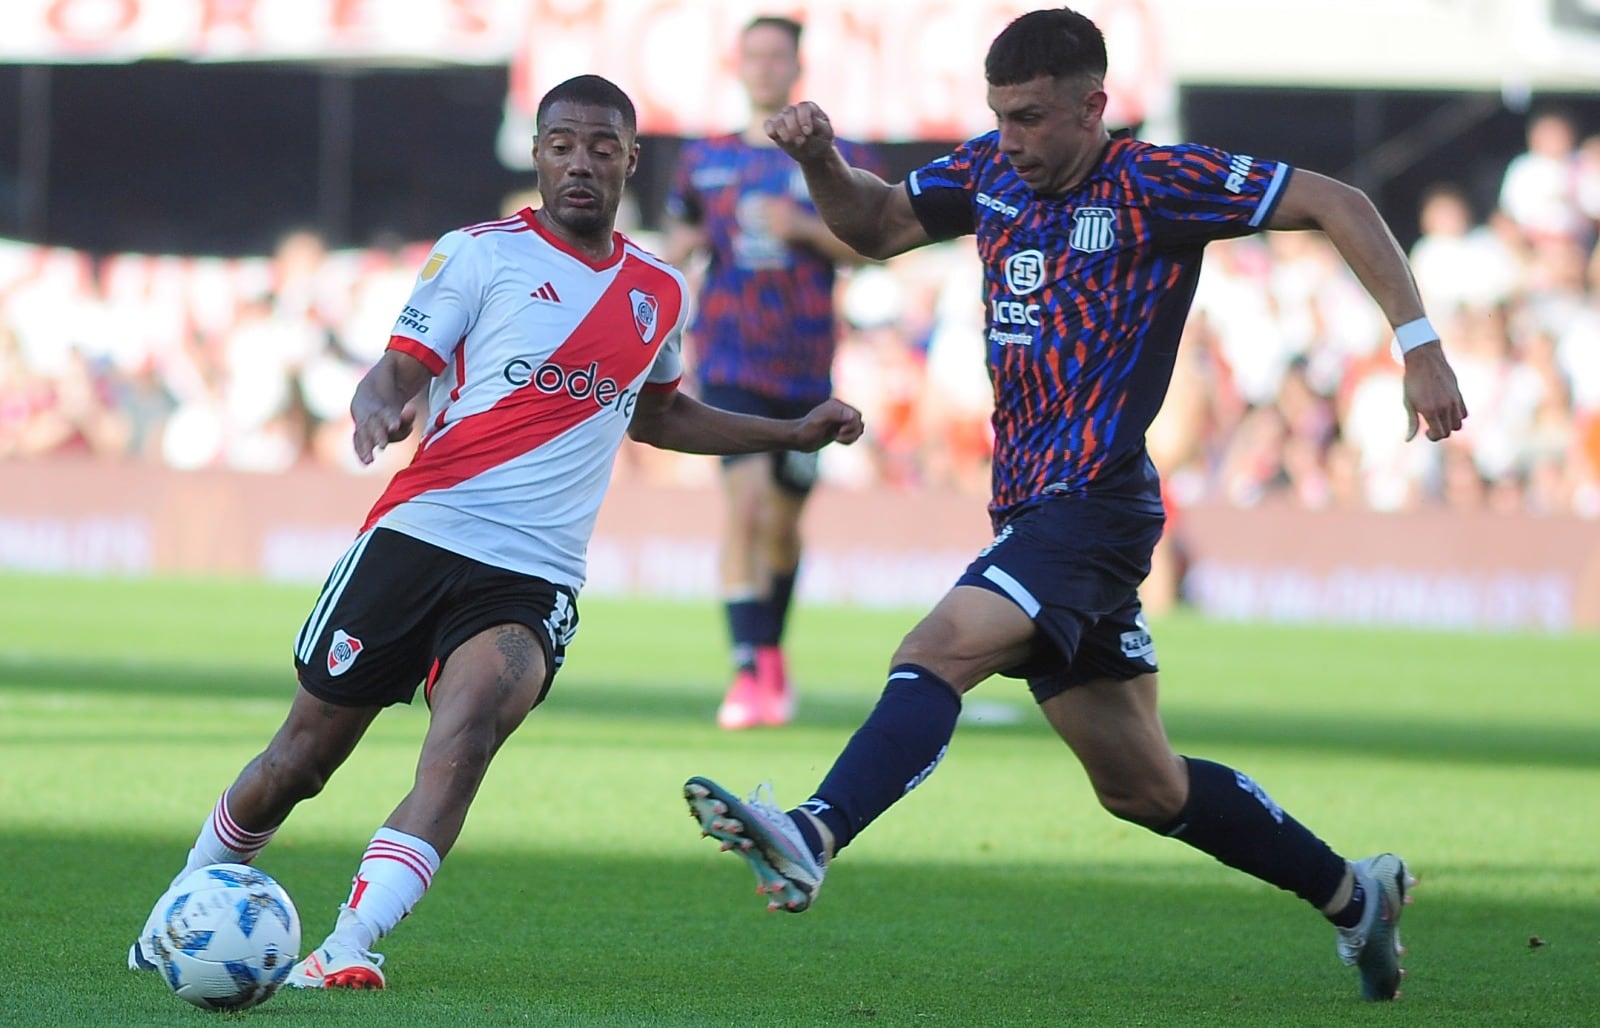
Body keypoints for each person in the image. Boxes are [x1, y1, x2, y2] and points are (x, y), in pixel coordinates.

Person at [683, 7, 1467, 1003]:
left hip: (1092, 501)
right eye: (1000, 115)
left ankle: (812, 830)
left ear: (1095, 106)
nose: (1012, 137)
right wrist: (822, 160)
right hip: (1027, 509)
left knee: (936, 649)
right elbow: (873, 224)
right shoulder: (991, 171)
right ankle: (1355, 897)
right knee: (1142, 783)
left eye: (1032, 117)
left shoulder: (1157, 183)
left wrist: (1417, 341)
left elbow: (1339, 200)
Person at [128, 73, 863, 991]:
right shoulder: (478, 256)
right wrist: (378, 411)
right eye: (563, 145)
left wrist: (786, 430)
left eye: (603, 147)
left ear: (632, 159)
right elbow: (395, 372)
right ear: (538, 155)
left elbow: (660, 415)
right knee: (302, 757)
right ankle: (181, 903)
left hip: (533, 574)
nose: (582, 164)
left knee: (466, 738)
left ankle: (350, 946)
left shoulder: (659, 292)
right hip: (421, 534)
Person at [662, 15, 881, 729]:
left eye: (775, 56)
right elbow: (681, 236)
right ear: (738, 65)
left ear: (796, 66)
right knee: (745, 508)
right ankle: (747, 669)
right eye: (751, 55)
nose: (762, 67)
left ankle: (771, 652)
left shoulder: (835, 156)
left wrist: (804, 231)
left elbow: (872, 241)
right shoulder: (705, 157)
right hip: (726, 356)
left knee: (784, 525)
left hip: (805, 362)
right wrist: (682, 247)